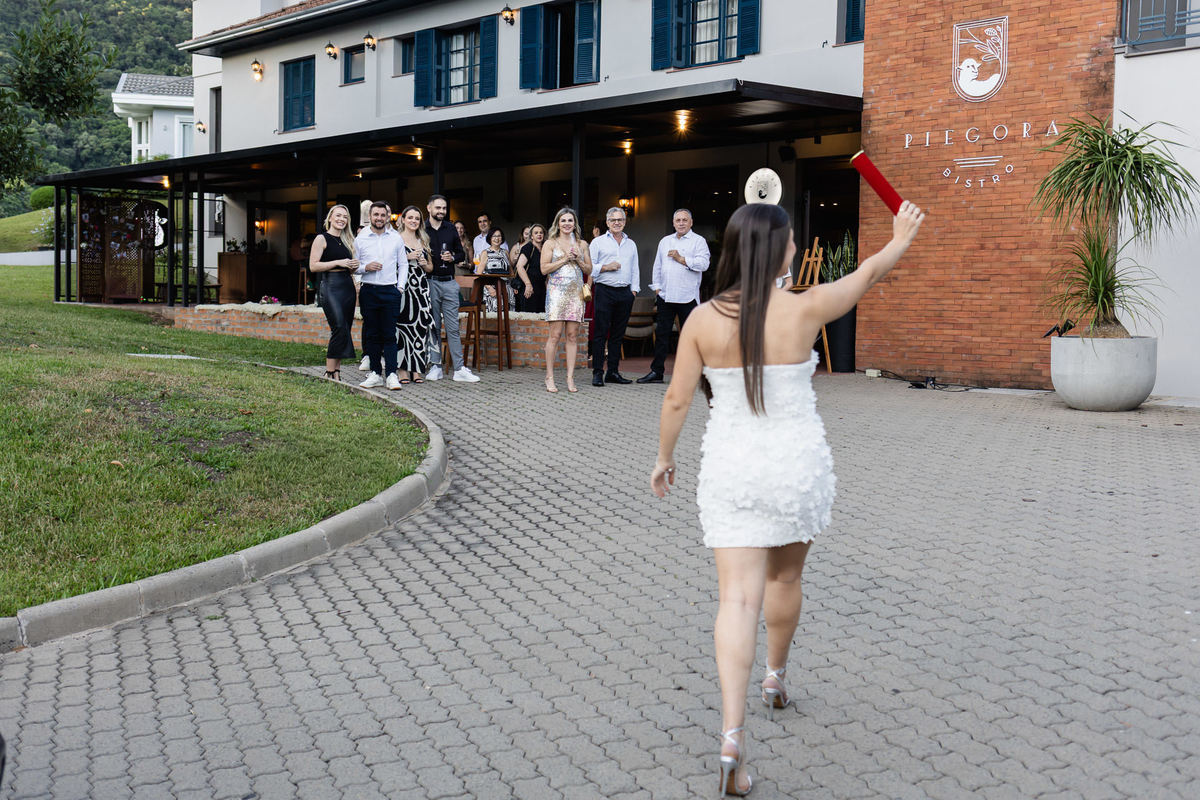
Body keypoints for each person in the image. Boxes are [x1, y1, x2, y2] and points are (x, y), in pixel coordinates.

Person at [650, 201, 925, 797]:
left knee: (737, 599)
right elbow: (868, 275)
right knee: (785, 582)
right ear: (775, 251)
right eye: (792, 241)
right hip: (796, 466)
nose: (797, 248)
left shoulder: (701, 319)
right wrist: (900, 237)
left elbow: (675, 400)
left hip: (733, 468)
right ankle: (775, 678)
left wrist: (665, 458)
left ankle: (731, 734)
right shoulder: (804, 308)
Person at [638, 208, 712, 384]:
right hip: (666, 296)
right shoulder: (665, 241)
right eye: (678, 220)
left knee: (690, 338)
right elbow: (657, 266)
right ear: (673, 223)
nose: (681, 223)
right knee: (662, 336)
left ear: (691, 222)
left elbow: (704, 264)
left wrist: (682, 259)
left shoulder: (698, 241)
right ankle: (657, 372)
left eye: (684, 220)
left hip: (688, 297)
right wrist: (657, 288)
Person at [424, 195, 480, 382]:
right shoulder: (423, 229)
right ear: (429, 208)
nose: (441, 211)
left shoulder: (450, 228)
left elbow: (460, 252)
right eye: (438, 208)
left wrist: (453, 258)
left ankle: (459, 369)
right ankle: (435, 366)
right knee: (433, 327)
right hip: (430, 281)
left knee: (453, 327)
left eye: (444, 208)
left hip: (449, 282)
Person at [354, 201, 408, 391]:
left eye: (382, 215)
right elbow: (354, 265)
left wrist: (399, 288)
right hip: (369, 290)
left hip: (390, 291)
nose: (379, 218)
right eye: (375, 215)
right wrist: (365, 268)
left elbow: (403, 265)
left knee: (389, 335)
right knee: (372, 335)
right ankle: (376, 373)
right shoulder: (361, 238)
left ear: (387, 216)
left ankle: (391, 374)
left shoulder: (395, 238)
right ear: (370, 216)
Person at [540, 207, 592, 393]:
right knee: (554, 336)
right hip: (556, 293)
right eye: (563, 221)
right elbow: (544, 269)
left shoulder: (582, 244)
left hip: (575, 294)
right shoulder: (550, 243)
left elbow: (588, 270)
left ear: (574, 223)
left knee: (572, 336)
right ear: (558, 223)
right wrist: (564, 259)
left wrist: (578, 259)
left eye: (570, 220)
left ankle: (570, 378)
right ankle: (549, 377)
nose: (567, 224)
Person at [588, 207, 639, 386]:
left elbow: (635, 269)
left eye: (620, 220)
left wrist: (634, 291)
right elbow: (589, 267)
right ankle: (597, 372)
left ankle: (613, 372)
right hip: (604, 290)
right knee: (600, 333)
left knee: (618, 335)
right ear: (607, 223)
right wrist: (606, 267)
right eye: (613, 220)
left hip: (625, 293)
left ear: (625, 222)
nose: (617, 222)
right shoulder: (598, 243)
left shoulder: (631, 244)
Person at [309, 204, 360, 381]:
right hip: (330, 286)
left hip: (347, 286)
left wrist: (353, 266)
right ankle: (329, 371)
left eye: (345, 217)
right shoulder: (321, 239)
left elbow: (349, 267)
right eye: (338, 216)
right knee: (338, 326)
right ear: (330, 218)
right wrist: (340, 262)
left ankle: (336, 371)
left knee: (344, 328)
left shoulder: (348, 241)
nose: (341, 219)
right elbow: (313, 266)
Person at [396, 205, 435, 383]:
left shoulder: (423, 239)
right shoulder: (395, 239)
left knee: (419, 327)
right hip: (403, 286)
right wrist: (407, 258)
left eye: (417, 218)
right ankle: (402, 369)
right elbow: (389, 262)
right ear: (403, 219)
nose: (413, 221)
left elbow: (430, 267)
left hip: (420, 287)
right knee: (402, 326)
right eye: (410, 217)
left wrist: (423, 262)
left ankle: (417, 369)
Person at [476, 226, 514, 313]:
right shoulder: (485, 253)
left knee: (508, 318)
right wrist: (489, 288)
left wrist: (513, 285)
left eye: (499, 236)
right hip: (492, 290)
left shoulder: (505, 252)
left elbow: (511, 271)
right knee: (493, 318)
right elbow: (479, 274)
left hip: (506, 289)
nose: (497, 238)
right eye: (494, 236)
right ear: (490, 238)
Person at [514, 223, 547, 313]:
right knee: (528, 316)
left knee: (541, 315)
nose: (539, 234)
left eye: (541, 233)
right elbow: (519, 266)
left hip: (541, 286)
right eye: (536, 233)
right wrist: (528, 285)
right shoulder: (528, 247)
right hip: (529, 286)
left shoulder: (545, 248)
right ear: (531, 236)